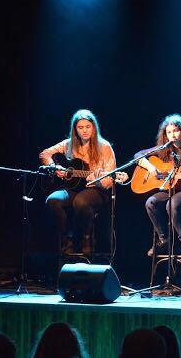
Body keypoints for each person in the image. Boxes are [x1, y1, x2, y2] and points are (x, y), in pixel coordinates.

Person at [40, 109, 116, 254]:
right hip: (73, 189)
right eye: (80, 127)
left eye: (88, 127)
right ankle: (67, 238)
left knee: (80, 201)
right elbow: (45, 154)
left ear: (94, 127)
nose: (84, 131)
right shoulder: (68, 144)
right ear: (75, 129)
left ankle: (87, 238)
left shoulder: (104, 147)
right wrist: (55, 167)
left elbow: (109, 181)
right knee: (52, 200)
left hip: (96, 190)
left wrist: (97, 180)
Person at [135, 114, 181, 258]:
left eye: (175, 131)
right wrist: (150, 168)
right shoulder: (164, 149)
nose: (172, 135)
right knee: (151, 202)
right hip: (170, 189)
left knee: (172, 204)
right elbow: (138, 155)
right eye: (169, 132)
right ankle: (164, 239)